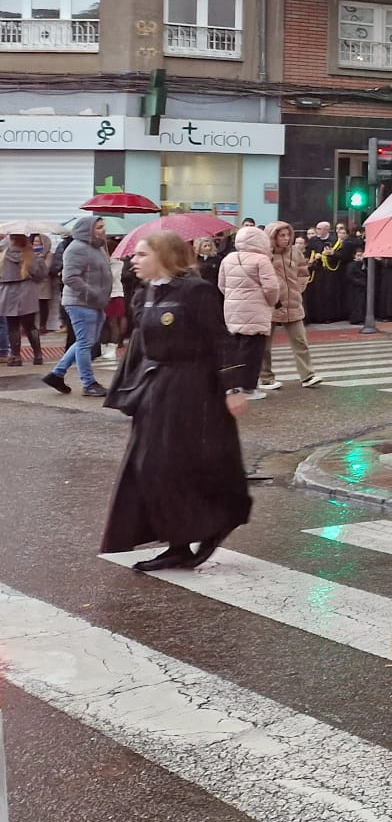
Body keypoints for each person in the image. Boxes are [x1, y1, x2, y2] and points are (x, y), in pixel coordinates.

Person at [101, 232, 253, 571]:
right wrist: (127, 390)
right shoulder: (145, 294)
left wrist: (233, 387)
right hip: (156, 390)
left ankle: (206, 527)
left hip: (193, 391)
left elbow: (221, 340)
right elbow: (139, 349)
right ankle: (178, 541)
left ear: (164, 255)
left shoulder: (196, 292)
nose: (133, 261)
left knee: (180, 465)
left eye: (141, 254)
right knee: (148, 466)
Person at [44, 216, 113, 398]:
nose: (103, 230)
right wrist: (93, 293)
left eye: (103, 226)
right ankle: (88, 383)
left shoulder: (97, 247)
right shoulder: (77, 249)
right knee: (85, 343)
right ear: (87, 229)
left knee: (85, 341)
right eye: (99, 227)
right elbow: (70, 277)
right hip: (80, 303)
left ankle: (57, 374)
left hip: (95, 303)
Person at [217, 224, 279, 403]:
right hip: (256, 310)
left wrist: (233, 297)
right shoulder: (262, 260)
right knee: (253, 351)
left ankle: (232, 385)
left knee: (234, 349)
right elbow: (271, 288)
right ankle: (249, 388)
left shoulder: (228, 259)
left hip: (232, 311)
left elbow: (222, 285)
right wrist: (270, 302)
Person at [262, 222, 323, 388]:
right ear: (273, 236)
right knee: (264, 345)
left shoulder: (295, 252)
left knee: (300, 341)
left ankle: (307, 376)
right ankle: (266, 377)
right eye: (281, 235)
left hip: (293, 303)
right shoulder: (264, 254)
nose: (286, 238)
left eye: (288, 235)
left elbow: (303, 273)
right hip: (271, 304)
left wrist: (298, 288)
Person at [2, 233, 49, 366]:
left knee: (12, 326)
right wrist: (39, 260)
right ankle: (38, 355)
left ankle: (16, 356)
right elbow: (40, 276)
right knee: (30, 325)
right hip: (27, 291)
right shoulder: (30, 255)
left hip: (7, 291)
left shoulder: (3, 255)